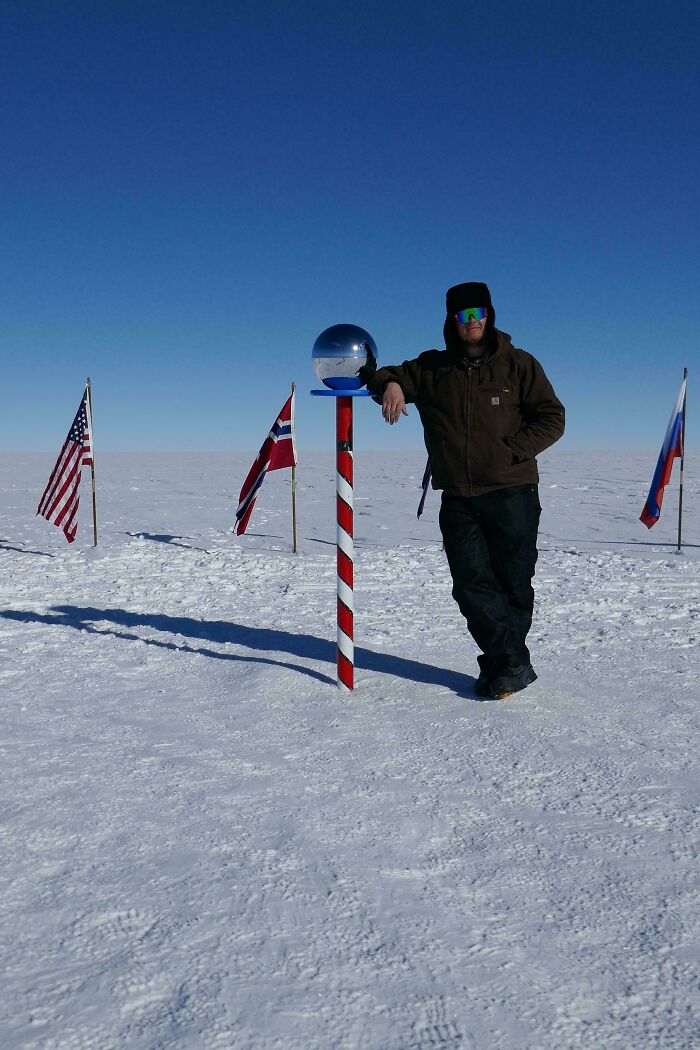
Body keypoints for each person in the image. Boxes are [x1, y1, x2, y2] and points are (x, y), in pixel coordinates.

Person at [364, 281, 565, 700]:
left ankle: (501, 666)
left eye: (478, 314)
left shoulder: (518, 364)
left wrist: (512, 451)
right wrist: (392, 385)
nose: (471, 322)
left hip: (512, 492)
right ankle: (511, 662)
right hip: (457, 495)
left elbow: (552, 417)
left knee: (513, 584)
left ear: (489, 316)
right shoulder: (433, 368)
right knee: (470, 584)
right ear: (451, 321)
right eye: (463, 315)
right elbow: (384, 373)